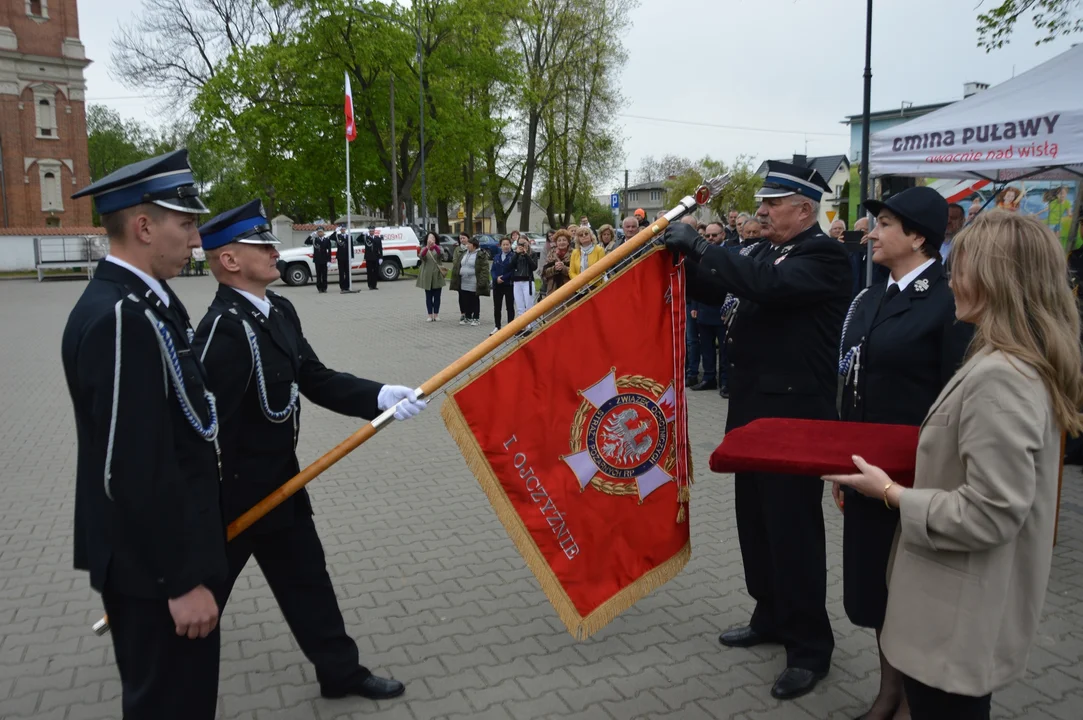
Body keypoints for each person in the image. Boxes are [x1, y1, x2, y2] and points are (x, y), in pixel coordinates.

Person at [825, 211, 1083, 720]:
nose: (950, 281)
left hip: (954, 619)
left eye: (957, 268)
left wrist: (890, 493)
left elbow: (990, 513)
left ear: (993, 279)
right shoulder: (1009, 361)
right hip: (953, 609)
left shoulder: (1002, 377)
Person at [193, 200, 424, 703]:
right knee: (198, 602)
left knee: (307, 581)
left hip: (282, 484)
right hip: (230, 497)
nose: (275, 251)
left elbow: (313, 377)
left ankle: (339, 673)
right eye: (262, 244)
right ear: (229, 260)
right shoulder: (221, 332)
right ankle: (160, 678)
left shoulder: (279, 309)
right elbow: (201, 429)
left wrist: (379, 396)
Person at [664, 160, 850, 700]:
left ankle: (810, 646)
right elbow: (725, 289)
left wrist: (702, 247)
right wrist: (678, 259)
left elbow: (766, 286)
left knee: (792, 530)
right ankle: (769, 613)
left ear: (804, 210)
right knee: (756, 522)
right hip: (752, 412)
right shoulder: (765, 251)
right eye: (763, 204)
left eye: (773, 204)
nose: (762, 211)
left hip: (794, 419)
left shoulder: (825, 255)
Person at [62, 149, 226, 718]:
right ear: (143, 226)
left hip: (160, 555)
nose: (196, 238)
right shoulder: (120, 316)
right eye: (186, 224)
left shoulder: (147, 302)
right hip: (154, 572)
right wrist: (178, 582)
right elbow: (129, 468)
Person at [834, 186, 973, 720]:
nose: (872, 233)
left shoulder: (949, 299)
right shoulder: (872, 296)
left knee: (916, 595)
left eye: (885, 224)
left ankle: (918, 701)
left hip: (919, 482)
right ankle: (889, 690)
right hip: (870, 474)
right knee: (875, 592)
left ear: (918, 236)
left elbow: (955, 396)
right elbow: (850, 383)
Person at [450, 235, 490, 326]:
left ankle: (476, 317)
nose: (467, 245)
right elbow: (458, 264)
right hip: (464, 280)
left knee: (474, 299)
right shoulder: (464, 253)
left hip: (473, 280)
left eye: (469, 244)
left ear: (474, 245)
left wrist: (482, 281)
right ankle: (468, 317)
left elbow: (484, 268)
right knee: (465, 299)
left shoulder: (480, 254)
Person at [490, 236, 515, 335]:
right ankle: (497, 326)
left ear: (510, 245)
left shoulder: (513, 256)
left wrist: (503, 278)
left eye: (507, 244)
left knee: (509, 306)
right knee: (497, 306)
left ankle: (510, 327)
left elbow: (513, 271)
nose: (505, 246)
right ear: (500, 246)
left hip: (508, 284)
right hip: (497, 285)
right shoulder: (496, 257)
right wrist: (496, 278)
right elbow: (492, 270)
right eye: (503, 245)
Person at [416, 232, 445, 321]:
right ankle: (429, 315)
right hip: (427, 275)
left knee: (437, 297)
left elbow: (441, 255)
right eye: (429, 238)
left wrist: (435, 246)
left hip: (437, 274)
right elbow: (421, 256)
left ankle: (436, 314)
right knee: (428, 297)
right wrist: (427, 247)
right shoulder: (424, 249)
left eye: (433, 238)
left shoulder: (439, 248)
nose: (431, 239)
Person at [511, 235, 538, 319]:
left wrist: (526, 255)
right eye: (520, 243)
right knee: (520, 307)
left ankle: (530, 326)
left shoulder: (532, 253)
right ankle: (522, 327)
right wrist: (516, 254)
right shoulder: (515, 253)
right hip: (517, 282)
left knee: (529, 305)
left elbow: (534, 267)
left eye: (524, 243)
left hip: (528, 281)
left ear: (528, 243)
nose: (522, 245)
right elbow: (511, 265)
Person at [541, 229, 572, 298]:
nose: (562, 242)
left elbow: (576, 272)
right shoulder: (551, 253)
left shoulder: (573, 253)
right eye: (559, 240)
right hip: (552, 288)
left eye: (564, 240)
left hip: (568, 288)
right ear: (556, 242)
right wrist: (554, 269)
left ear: (568, 242)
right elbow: (545, 272)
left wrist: (563, 268)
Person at [312, 228, 332, 293]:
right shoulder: (315, 240)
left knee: (324, 275)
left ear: (323, 233)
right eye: (319, 232)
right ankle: (319, 288)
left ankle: (324, 287)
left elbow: (329, 250)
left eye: (321, 232)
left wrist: (329, 260)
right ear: (317, 233)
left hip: (324, 259)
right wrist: (311, 236)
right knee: (318, 275)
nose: (320, 233)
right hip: (317, 260)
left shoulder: (327, 240)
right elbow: (306, 242)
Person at [335, 227, 354, 293]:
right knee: (341, 273)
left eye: (344, 229)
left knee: (347, 272)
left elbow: (351, 247)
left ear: (345, 229)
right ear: (340, 230)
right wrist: (335, 232)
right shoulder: (338, 236)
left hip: (347, 257)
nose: (343, 230)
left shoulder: (349, 236)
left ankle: (347, 286)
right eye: (341, 229)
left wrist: (352, 257)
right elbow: (331, 237)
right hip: (340, 257)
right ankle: (342, 287)